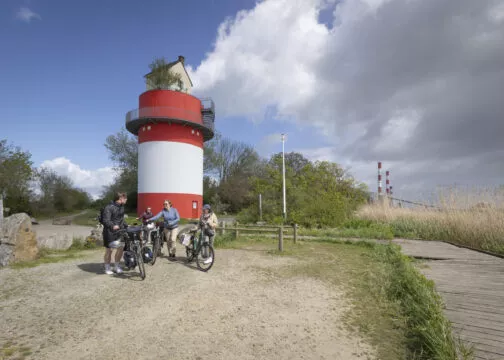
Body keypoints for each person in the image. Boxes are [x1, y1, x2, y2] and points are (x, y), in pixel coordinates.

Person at [102, 192, 128, 275]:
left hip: (120, 231)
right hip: (109, 232)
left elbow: (121, 219)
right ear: (121, 199)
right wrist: (113, 226)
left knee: (120, 248)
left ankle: (116, 266)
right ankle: (107, 268)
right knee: (109, 250)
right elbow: (105, 220)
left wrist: (126, 225)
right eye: (125, 198)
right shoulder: (109, 207)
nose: (126, 199)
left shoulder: (122, 207)